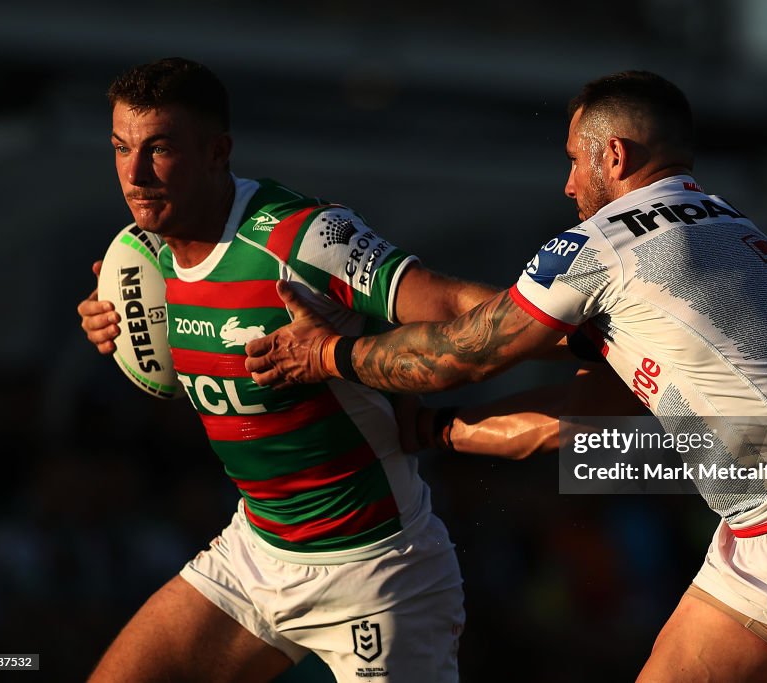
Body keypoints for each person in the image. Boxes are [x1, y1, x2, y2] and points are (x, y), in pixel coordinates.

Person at [244, 71, 767, 682]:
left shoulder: (606, 243)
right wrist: (434, 430)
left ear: (615, 154)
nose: (568, 183)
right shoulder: (729, 225)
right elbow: (587, 419)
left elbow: (467, 351)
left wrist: (329, 357)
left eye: (575, 159)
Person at [75, 56, 545, 683]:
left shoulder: (303, 237)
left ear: (218, 151)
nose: (134, 174)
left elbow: (456, 305)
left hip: (376, 572)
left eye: (159, 150)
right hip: (256, 552)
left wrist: (581, 332)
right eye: (121, 148)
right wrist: (115, 324)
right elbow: (205, 381)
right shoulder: (140, 249)